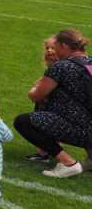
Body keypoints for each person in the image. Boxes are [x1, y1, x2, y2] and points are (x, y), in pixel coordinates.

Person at [14, 29, 92, 178]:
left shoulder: (61, 67)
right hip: (87, 125)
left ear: (64, 46)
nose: (53, 49)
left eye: (55, 46)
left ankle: (68, 163)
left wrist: (33, 89)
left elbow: (37, 95)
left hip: (80, 128)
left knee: (23, 121)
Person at [26, 36, 61, 162]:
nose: (49, 50)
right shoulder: (53, 65)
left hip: (47, 102)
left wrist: (38, 87)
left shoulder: (59, 66)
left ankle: (44, 153)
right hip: (46, 101)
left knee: (41, 127)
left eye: (53, 48)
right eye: (47, 48)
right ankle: (50, 151)